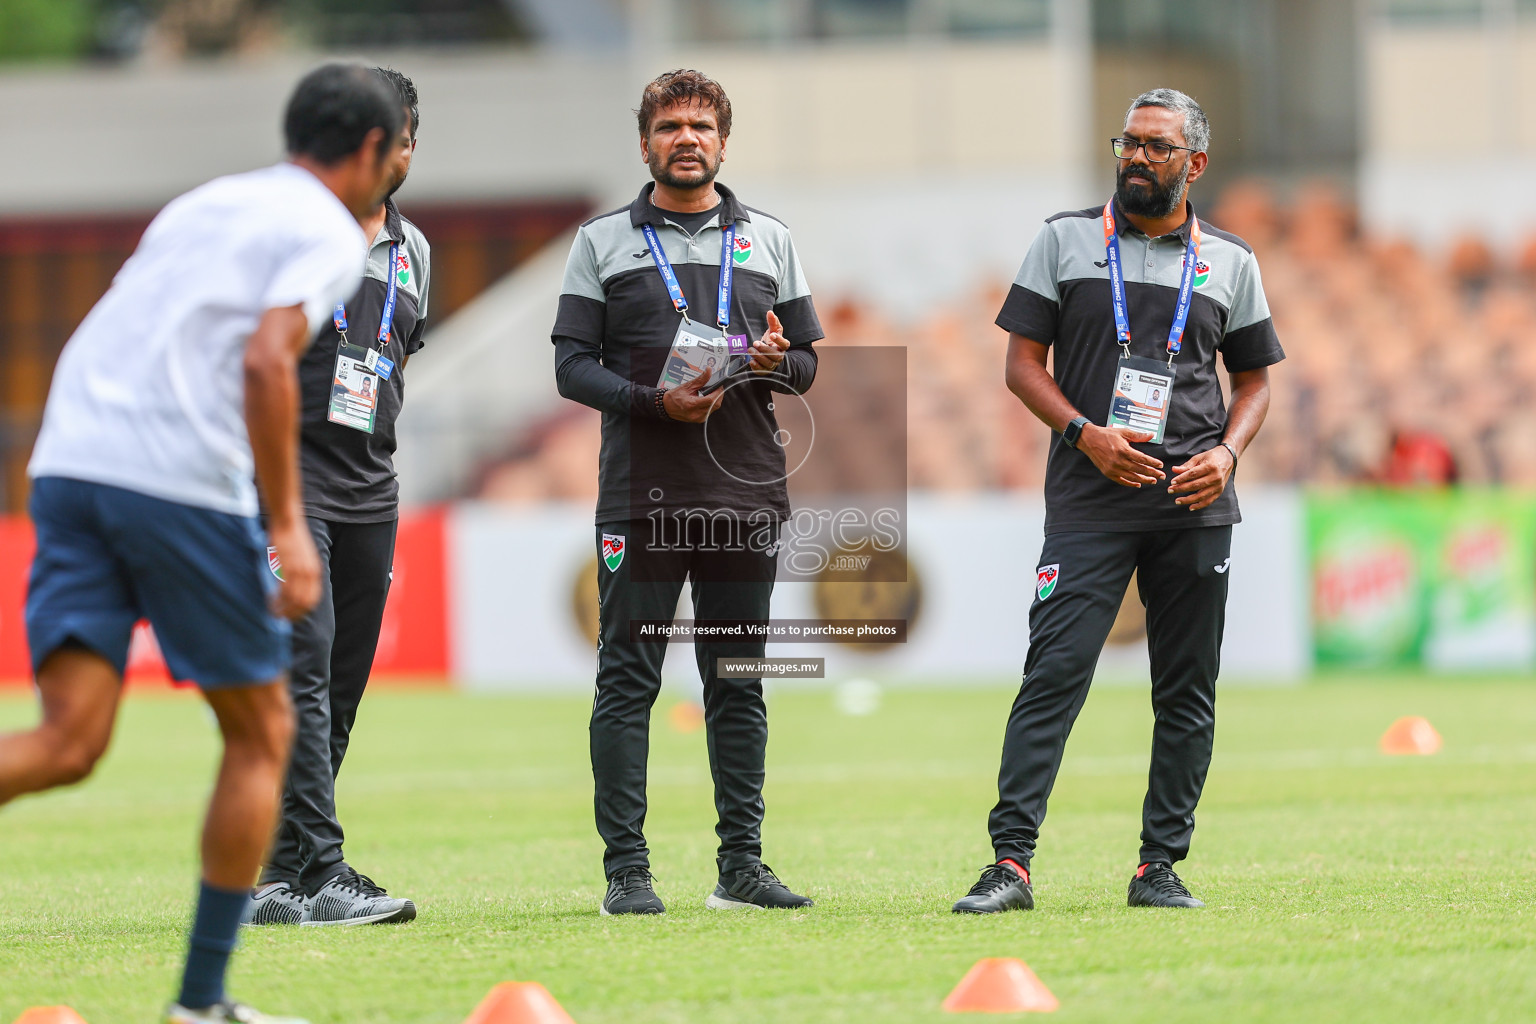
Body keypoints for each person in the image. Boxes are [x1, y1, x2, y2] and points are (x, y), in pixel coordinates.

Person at [0, 65, 404, 1022]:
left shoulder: (205, 203)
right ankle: (202, 1003)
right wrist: (289, 527)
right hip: (174, 480)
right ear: (373, 154)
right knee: (263, 732)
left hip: (67, 463)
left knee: (67, 741)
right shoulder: (327, 231)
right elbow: (269, 359)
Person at [952, 88, 1284, 914]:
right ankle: (1010, 864)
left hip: (1193, 499)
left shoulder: (1231, 260)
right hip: (1089, 496)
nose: (1135, 157)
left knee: (1186, 688)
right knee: (1054, 675)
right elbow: (1022, 365)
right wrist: (1083, 436)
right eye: (1127, 143)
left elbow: (1255, 383)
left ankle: (1158, 867)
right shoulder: (1063, 240)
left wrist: (1229, 454)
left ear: (1194, 164)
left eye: (1156, 147)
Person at [551, 69, 823, 915]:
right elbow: (569, 367)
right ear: (646, 144)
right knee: (627, 680)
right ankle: (626, 873)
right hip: (642, 495)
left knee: (737, 680)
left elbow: (809, 365)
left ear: (723, 142)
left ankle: (741, 868)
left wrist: (781, 363)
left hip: (744, 496)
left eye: (702, 125)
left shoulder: (770, 239)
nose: (687, 138)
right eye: (670, 125)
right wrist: (650, 403)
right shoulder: (602, 242)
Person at [246, 68, 431, 929]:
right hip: (295, 482)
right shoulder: (293, 235)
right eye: (387, 134)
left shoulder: (415, 251)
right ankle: (323, 871)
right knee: (305, 672)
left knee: (341, 688)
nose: (399, 149)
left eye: (408, 135)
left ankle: (276, 878)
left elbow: (395, 358)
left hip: (372, 489)